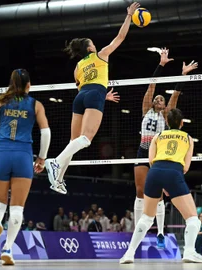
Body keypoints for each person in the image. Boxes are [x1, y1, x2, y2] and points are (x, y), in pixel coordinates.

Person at [45, 2, 140, 194]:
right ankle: (54, 162)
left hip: (81, 97)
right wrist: (129, 16)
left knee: (74, 141)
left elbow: (83, 87)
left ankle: (58, 180)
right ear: (90, 48)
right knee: (86, 139)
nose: (95, 45)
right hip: (94, 94)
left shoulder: (77, 67)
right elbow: (120, 37)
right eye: (93, 43)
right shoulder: (101, 55)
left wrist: (101, 97)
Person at [120, 108, 202, 264]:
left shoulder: (158, 136)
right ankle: (189, 252)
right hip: (174, 172)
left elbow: (151, 160)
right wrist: (171, 185)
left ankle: (129, 253)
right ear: (182, 123)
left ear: (166, 122)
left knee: (147, 218)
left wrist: (162, 182)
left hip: (154, 172)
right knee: (193, 219)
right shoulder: (188, 138)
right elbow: (185, 167)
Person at [0, 69, 51, 266]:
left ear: (11, 83)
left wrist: (4, 140)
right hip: (23, 155)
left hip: (3, 152)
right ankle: (7, 249)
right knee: (17, 208)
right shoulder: (35, 105)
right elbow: (46, 133)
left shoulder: (0, 102)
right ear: (29, 85)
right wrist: (41, 158)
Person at [134, 47, 198, 248]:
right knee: (139, 190)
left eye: (161, 99)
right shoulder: (146, 111)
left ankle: (160, 232)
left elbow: (175, 96)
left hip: (161, 155)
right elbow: (151, 86)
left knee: (158, 193)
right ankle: (139, 229)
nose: (158, 100)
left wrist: (183, 76)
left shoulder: (167, 116)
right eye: (156, 99)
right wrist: (161, 65)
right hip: (143, 149)